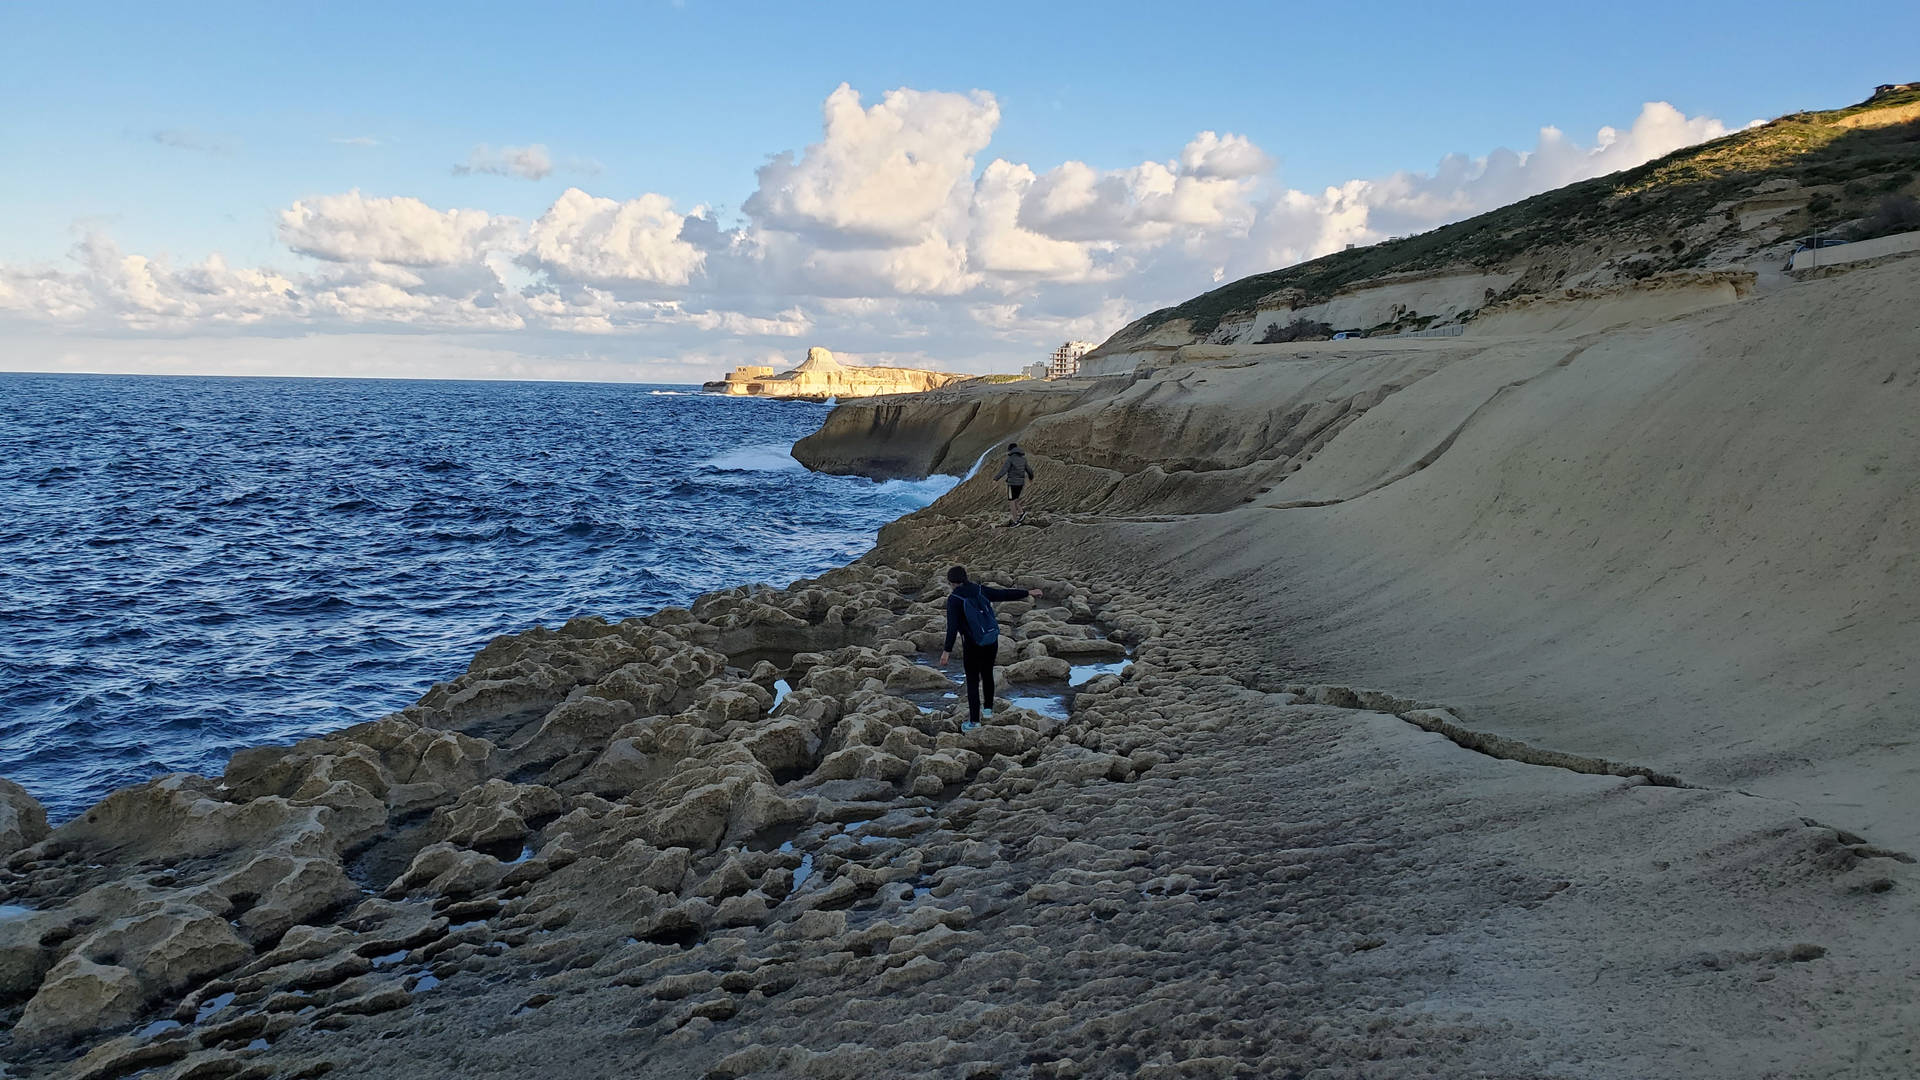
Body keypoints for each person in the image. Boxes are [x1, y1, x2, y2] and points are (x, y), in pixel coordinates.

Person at [938, 565, 1041, 723]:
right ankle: (988, 711)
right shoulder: (980, 589)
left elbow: (952, 627)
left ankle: (974, 722)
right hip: (990, 639)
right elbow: (1003, 594)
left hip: (972, 644)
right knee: (987, 674)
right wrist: (1028, 592)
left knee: (972, 682)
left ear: (951, 582)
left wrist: (946, 651)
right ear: (965, 577)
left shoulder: (954, 599)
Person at [991, 442, 1036, 525]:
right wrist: (1031, 477)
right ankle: (1022, 512)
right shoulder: (1023, 459)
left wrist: (996, 479)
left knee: (1011, 502)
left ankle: (1015, 521)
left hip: (1012, 483)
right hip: (1021, 483)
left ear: (1010, 450)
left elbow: (1004, 470)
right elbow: (1029, 470)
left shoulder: (1010, 459)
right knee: (1015, 499)